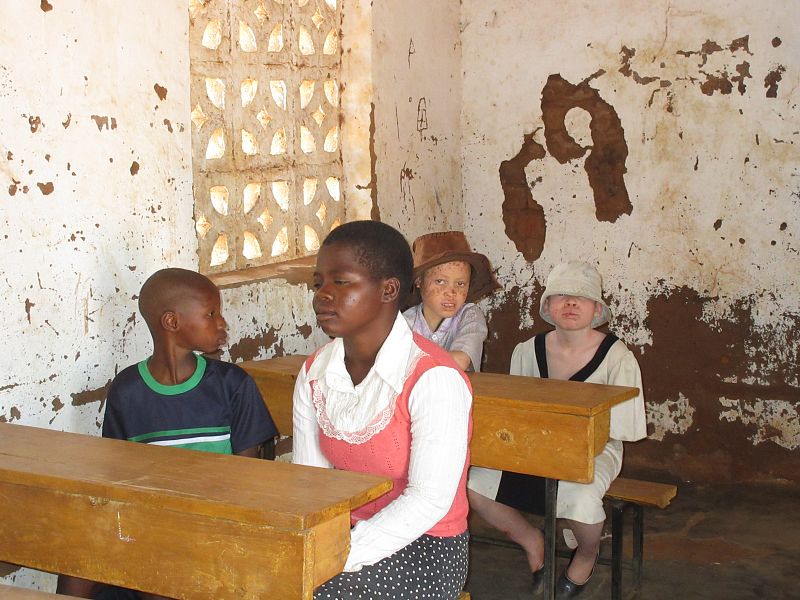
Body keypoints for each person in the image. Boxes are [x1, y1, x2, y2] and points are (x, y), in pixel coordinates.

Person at [57, 268, 278, 599]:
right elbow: (117, 477)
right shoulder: (127, 391)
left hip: (218, 523)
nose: (222, 323)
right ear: (172, 322)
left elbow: (249, 480)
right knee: (78, 553)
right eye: (211, 314)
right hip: (151, 521)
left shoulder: (231, 384)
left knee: (162, 576)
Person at [292, 220, 474, 600]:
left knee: (314, 590)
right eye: (318, 283)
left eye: (341, 282)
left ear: (389, 289)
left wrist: (339, 556)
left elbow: (427, 500)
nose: (322, 296)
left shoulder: (434, 378)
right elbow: (310, 480)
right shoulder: (315, 373)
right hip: (343, 533)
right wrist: (313, 547)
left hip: (427, 545)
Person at [468, 261, 646, 598]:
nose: (571, 303)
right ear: (548, 305)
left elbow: (621, 427)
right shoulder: (527, 351)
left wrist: (571, 444)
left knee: (580, 498)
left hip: (595, 447)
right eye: (561, 296)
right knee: (475, 485)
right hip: (533, 447)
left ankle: (587, 553)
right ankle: (532, 541)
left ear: (597, 309)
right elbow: (519, 414)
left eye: (582, 297)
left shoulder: (617, 357)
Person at [402, 231, 500, 372]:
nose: (451, 292)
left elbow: (460, 361)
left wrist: (411, 363)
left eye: (460, 284)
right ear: (418, 281)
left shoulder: (470, 316)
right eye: (440, 281)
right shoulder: (405, 323)